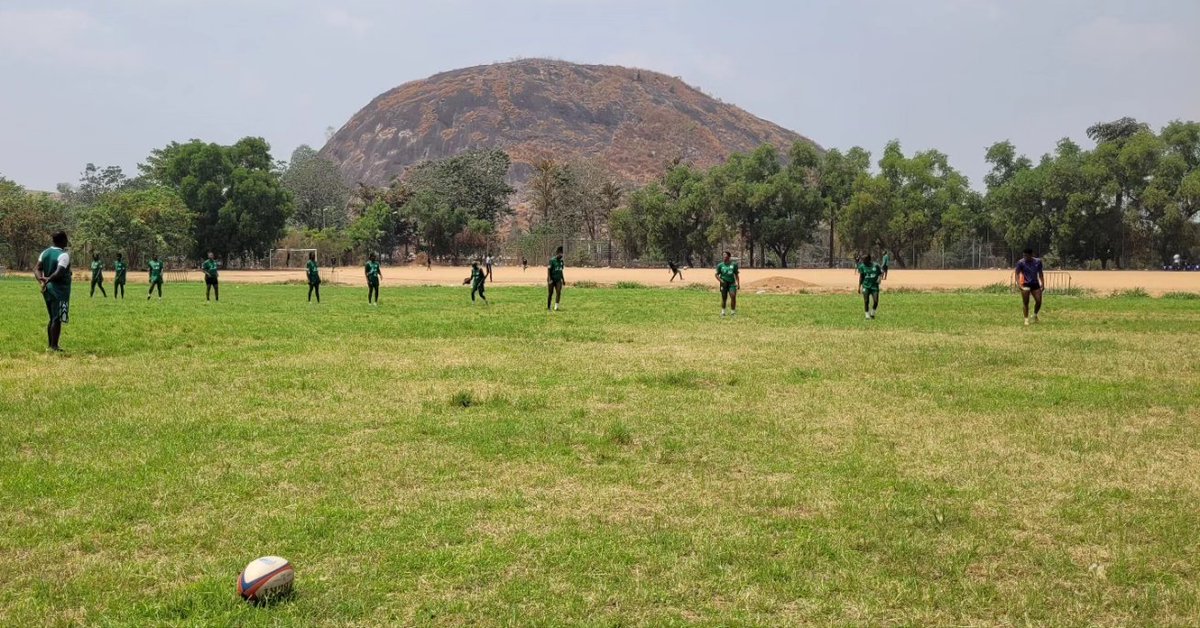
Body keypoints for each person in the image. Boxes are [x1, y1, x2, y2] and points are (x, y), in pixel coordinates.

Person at [35, 231, 72, 351]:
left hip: (47, 289)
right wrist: (49, 279)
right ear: (63, 240)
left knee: (52, 317)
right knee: (57, 318)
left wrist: (41, 280)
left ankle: (51, 345)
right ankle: (54, 346)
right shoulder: (63, 255)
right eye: (66, 239)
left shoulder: (44, 252)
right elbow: (59, 272)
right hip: (59, 290)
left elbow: (37, 268)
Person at [1015, 248, 1045, 325]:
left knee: (1039, 301)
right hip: (1025, 284)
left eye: (1027, 255)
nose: (1025, 257)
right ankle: (1026, 319)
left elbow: (1040, 273)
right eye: (1024, 255)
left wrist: (1043, 283)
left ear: (1031, 255)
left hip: (1035, 283)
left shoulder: (1038, 262)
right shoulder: (1020, 262)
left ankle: (1035, 315)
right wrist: (1018, 284)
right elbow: (1017, 274)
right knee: (1026, 302)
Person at [857, 254, 883, 319]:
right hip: (866, 286)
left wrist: (879, 279)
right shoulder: (862, 266)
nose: (863, 261)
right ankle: (867, 316)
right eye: (862, 260)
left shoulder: (876, 266)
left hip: (874, 287)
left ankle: (872, 313)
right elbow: (861, 277)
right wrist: (859, 286)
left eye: (864, 260)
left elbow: (880, 274)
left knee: (876, 301)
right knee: (866, 301)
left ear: (869, 260)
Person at [716, 251, 739, 317]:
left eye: (725, 256)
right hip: (724, 284)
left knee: (733, 296)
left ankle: (733, 313)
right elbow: (716, 275)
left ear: (729, 257)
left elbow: (736, 274)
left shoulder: (734, 265)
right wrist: (721, 281)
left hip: (732, 283)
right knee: (724, 298)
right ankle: (723, 312)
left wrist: (738, 283)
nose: (724, 257)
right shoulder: (720, 265)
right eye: (723, 256)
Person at [547, 246, 565, 311]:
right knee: (550, 293)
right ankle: (549, 307)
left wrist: (563, 279)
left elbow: (561, 270)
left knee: (558, 292)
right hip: (552, 279)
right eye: (560, 253)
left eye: (562, 253)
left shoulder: (561, 262)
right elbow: (549, 270)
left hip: (558, 280)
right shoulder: (552, 260)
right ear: (557, 253)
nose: (561, 255)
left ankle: (556, 306)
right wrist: (550, 279)